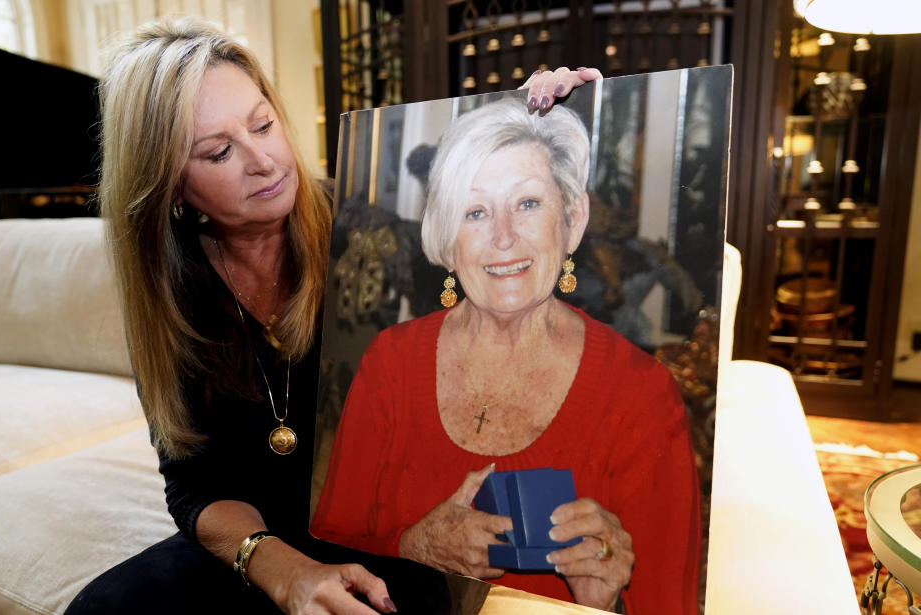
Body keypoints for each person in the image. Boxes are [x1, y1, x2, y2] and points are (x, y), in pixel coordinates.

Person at [64, 16, 601, 615]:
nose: (264, 160)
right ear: (173, 190)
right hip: (265, 538)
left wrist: (534, 126)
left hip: (399, 532)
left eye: (263, 125)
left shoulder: (372, 233)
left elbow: (524, 332)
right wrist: (283, 570)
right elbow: (196, 486)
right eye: (219, 152)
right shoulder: (170, 289)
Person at [311, 98, 702, 615]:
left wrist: (606, 607)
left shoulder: (641, 393)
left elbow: (667, 603)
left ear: (573, 219)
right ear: (448, 240)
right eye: (475, 212)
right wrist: (412, 548)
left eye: (527, 204)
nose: (503, 238)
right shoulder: (390, 363)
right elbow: (329, 560)